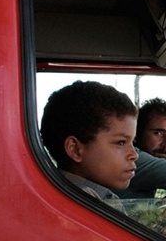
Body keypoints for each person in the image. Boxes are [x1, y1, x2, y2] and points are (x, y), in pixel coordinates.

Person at [40, 81, 139, 212]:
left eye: (132, 142)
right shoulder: (83, 204)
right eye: (121, 142)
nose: (134, 154)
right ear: (75, 149)